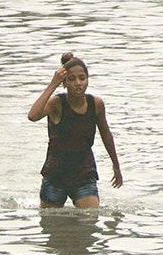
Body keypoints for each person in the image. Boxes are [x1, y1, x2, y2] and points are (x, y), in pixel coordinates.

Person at [28, 53, 123, 209]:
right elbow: (32, 116)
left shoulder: (96, 104)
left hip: (84, 174)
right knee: (51, 224)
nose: (78, 83)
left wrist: (116, 166)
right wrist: (53, 84)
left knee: (90, 220)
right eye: (72, 79)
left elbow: (106, 135)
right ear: (64, 83)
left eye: (82, 78)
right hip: (55, 175)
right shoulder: (57, 104)